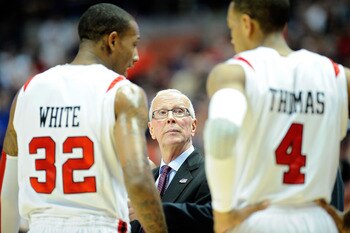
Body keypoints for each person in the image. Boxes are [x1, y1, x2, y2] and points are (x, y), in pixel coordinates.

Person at [0, 3, 167, 233]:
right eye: (134, 44)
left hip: (39, 226)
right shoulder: (122, 93)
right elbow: (138, 181)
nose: (137, 56)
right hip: (99, 225)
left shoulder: (27, 91)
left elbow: (8, 192)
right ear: (113, 41)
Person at [203, 0, 350, 233]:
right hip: (318, 220)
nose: (231, 39)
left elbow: (222, 134)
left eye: (231, 29)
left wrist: (222, 214)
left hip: (257, 218)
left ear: (246, 24)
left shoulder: (234, 72)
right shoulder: (337, 76)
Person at [130, 89, 211, 233]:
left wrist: (151, 213)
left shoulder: (210, 174)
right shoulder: (147, 181)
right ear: (152, 129)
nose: (170, 118)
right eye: (161, 113)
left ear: (193, 126)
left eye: (179, 111)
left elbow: (209, 222)